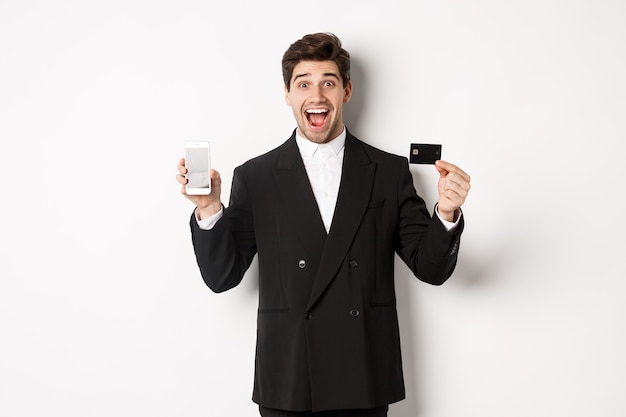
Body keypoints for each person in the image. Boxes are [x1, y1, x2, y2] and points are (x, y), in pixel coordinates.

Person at [176, 32, 471, 417]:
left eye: (328, 83)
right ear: (287, 94)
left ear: (346, 92)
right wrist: (210, 208)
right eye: (304, 84)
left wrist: (446, 213)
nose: (316, 96)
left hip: (362, 374)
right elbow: (222, 277)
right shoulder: (256, 176)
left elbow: (430, 268)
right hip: (290, 377)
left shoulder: (387, 171)